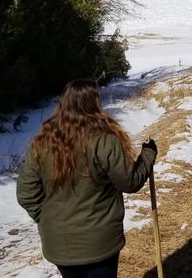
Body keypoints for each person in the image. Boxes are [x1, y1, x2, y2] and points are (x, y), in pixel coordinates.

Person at [17, 79, 157, 278]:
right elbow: (129, 182)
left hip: (59, 243)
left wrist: (48, 218)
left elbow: (26, 194)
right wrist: (148, 154)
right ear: (94, 103)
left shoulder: (42, 143)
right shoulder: (106, 140)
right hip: (99, 243)